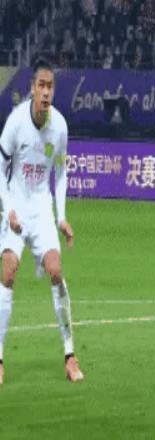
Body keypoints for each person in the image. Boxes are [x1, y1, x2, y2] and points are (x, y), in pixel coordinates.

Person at [0, 58, 84, 384]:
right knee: (8, 272)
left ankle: (70, 355)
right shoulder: (16, 122)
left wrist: (61, 217)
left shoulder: (59, 127)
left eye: (51, 86)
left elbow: (60, 174)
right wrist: (9, 209)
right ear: (32, 89)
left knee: (56, 271)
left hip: (42, 209)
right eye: (41, 86)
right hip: (16, 206)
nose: (46, 92)